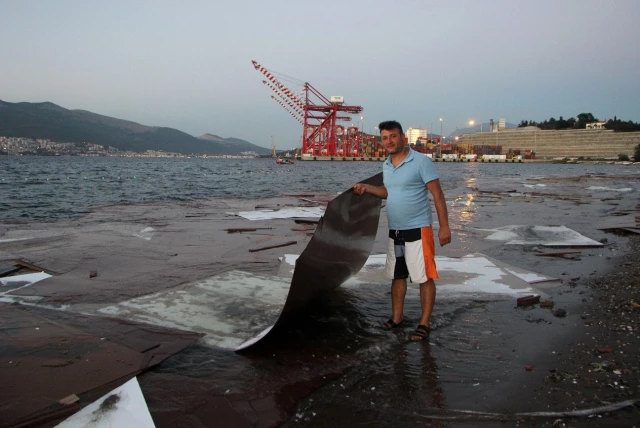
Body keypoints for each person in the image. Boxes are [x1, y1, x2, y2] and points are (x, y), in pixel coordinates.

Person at [353, 120, 451, 341]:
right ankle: (397, 318)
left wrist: (444, 227)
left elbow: (438, 195)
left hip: (419, 229)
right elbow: (389, 191)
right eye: (385, 138)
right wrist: (367, 188)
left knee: (424, 276)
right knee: (397, 276)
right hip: (395, 230)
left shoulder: (421, 162)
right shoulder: (387, 164)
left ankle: (424, 323)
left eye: (393, 136)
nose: (389, 141)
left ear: (403, 138)